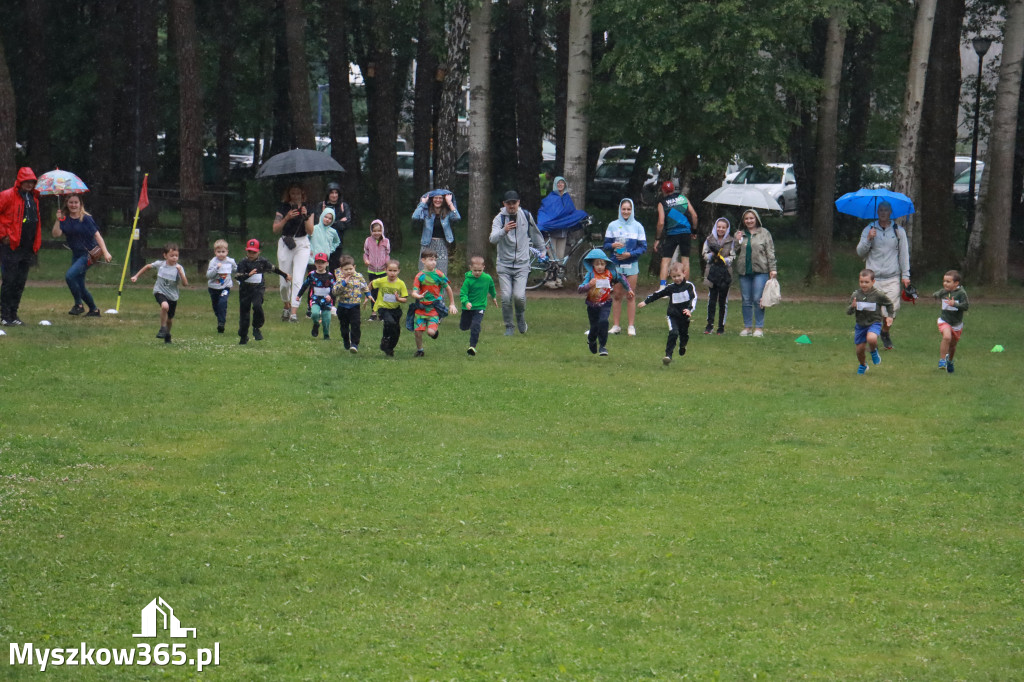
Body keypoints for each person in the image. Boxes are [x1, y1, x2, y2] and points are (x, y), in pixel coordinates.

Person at [855, 201, 910, 350]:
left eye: (886, 210)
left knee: (890, 311)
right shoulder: (869, 229)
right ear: (877, 212)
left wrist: (906, 275)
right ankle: (870, 336)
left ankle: (885, 332)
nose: (883, 213)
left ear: (890, 212)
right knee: (871, 311)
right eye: (881, 210)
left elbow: (904, 255)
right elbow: (860, 252)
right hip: (873, 279)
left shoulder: (898, 231)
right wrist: (868, 239)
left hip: (892, 277)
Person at [489, 190, 545, 335]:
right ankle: (509, 326)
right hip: (504, 264)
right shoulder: (499, 219)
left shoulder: (526, 215)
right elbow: (492, 239)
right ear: (504, 204)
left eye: (514, 203)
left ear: (518, 203)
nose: (511, 206)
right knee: (506, 297)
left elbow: (535, 234)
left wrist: (542, 250)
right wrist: (504, 230)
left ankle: (520, 317)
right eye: (509, 203)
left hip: (522, 264)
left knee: (519, 297)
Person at [51, 195, 112, 317]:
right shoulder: (65, 219)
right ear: (67, 204)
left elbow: (97, 235)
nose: (73, 205)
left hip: (88, 254)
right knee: (79, 284)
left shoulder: (86, 218)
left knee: (69, 276)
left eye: (76, 202)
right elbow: (56, 234)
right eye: (71, 202)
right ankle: (94, 310)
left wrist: (105, 252)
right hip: (76, 254)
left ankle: (78, 305)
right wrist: (58, 220)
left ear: (80, 204)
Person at [0, 167, 43, 326]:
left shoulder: (34, 198)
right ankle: (4, 316)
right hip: (11, 246)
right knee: (9, 280)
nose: (29, 184)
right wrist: (3, 234)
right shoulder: (7, 195)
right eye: (26, 181)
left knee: (20, 282)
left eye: (32, 182)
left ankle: (13, 314)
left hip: (27, 246)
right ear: (20, 181)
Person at [577, 247, 634, 356]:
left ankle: (603, 346)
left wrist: (629, 289)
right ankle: (592, 340)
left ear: (606, 264)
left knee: (604, 321)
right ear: (592, 264)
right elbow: (580, 289)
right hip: (592, 305)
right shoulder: (590, 275)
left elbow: (622, 278)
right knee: (594, 327)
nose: (599, 267)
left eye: (602, 264)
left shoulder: (611, 273)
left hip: (605, 303)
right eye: (597, 264)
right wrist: (589, 285)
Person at [638, 261, 697, 365]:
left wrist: (689, 309)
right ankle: (668, 355)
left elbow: (693, 298)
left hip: (685, 316)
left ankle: (683, 345)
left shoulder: (689, 286)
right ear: (670, 276)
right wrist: (646, 302)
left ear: (684, 273)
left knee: (684, 334)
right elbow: (658, 294)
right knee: (673, 333)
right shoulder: (670, 288)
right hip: (673, 315)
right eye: (674, 276)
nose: (677, 278)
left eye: (679, 275)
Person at [603, 198, 647, 336]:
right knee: (616, 295)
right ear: (620, 210)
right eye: (624, 209)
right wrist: (613, 246)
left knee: (630, 294)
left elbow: (643, 247)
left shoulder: (638, 226)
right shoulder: (612, 225)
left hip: (632, 264)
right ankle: (616, 326)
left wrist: (630, 254)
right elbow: (606, 245)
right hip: (616, 265)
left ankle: (631, 326)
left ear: (632, 210)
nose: (626, 212)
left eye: (628, 209)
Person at [131, 242, 189, 344]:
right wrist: (136, 276)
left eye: (176, 256)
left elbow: (185, 284)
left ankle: (167, 333)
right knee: (164, 306)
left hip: (173, 296)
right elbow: (147, 266)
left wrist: (180, 272)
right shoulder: (160, 265)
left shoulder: (179, 268)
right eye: (171, 256)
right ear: (165, 255)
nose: (174, 258)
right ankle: (162, 328)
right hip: (159, 291)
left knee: (170, 319)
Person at [537, 175, 589, 287]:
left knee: (560, 257)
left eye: (562, 183)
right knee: (552, 257)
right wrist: (552, 222)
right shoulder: (550, 198)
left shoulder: (567, 198)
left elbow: (570, 213)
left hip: (562, 232)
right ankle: (549, 280)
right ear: (555, 184)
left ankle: (558, 280)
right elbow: (549, 213)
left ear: (565, 184)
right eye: (558, 183)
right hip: (551, 232)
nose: (560, 185)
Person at [273, 183, 314, 322]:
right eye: (293, 193)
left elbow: (310, 231)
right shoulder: (283, 208)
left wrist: (305, 216)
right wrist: (287, 218)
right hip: (286, 242)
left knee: (298, 279)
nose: (295, 196)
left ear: (302, 194)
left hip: (302, 244)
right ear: (289, 194)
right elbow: (275, 229)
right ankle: (286, 305)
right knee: (285, 280)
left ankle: (294, 312)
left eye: (298, 193)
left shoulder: (307, 208)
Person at [236, 238, 290, 345]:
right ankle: (243, 336)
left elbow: (274, 268)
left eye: (254, 252)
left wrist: (285, 275)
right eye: (249, 252)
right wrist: (248, 275)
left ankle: (256, 327)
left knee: (257, 306)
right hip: (245, 290)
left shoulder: (262, 262)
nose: (251, 254)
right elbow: (238, 276)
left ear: (259, 252)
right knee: (244, 313)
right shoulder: (243, 262)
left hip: (258, 289)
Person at [733, 208, 777, 337]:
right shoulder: (740, 233)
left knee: (758, 299)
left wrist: (772, 268)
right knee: (746, 299)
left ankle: (759, 328)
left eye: (751, 218)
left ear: (756, 219)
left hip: (761, 271)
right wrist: (737, 240)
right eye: (746, 218)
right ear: (743, 220)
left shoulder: (764, 233)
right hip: (744, 271)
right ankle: (747, 327)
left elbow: (770, 251)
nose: (749, 221)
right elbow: (733, 252)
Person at [410, 249, 458, 357]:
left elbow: (448, 289)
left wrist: (452, 304)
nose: (434, 262)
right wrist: (418, 296)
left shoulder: (439, 275)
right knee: (418, 332)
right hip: (421, 308)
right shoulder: (419, 276)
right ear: (423, 260)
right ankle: (420, 350)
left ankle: (434, 329)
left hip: (433, 308)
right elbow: (414, 292)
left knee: (430, 333)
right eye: (431, 260)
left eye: (435, 260)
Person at [847, 268, 894, 375]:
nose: (863, 284)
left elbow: (889, 304)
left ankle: (873, 352)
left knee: (871, 339)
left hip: (874, 322)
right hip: (860, 325)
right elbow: (848, 312)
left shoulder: (878, 295)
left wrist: (890, 316)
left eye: (866, 282)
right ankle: (863, 365)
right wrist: (852, 306)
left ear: (873, 282)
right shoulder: (856, 295)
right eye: (861, 282)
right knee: (859, 350)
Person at [654, 180, 698, 286]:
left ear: (663, 190)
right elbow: (694, 215)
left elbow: (660, 222)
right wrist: (694, 231)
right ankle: (685, 285)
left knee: (665, 260)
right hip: (685, 232)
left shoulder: (662, 203)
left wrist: (658, 238)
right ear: (673, 189)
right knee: (685, 259)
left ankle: (662, 286)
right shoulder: (683, 198)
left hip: (672, 233)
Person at [413, 189, 460, 276]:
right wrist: (422, 203)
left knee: (441, 273)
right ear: (432, 199)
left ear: (444, 200)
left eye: (440, 198)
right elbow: (415, 217)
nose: (438, 200)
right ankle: (424, 289)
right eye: (435, 198)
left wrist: (450, 203)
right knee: (424, 271)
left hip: (442, 244)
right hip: (427, 244)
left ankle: (440, 290)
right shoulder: (426, 212)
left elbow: (457, 218)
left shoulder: (448, 212)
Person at [701, 217, 734, 335]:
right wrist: (711, 256)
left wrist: (725, 260)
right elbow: (704, 253)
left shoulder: (731, 240)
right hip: (712, 272)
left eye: (723, 227)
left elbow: (733, 255)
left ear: (727, 229)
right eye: (718, 227)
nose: (720, 229)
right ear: (715, 227)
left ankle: (721, 326)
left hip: (725, 273)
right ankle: (709, 325)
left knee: (723, 301)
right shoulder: (709, 239)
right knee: (712, 299)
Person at [459, 255, 498, 356]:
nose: (477, 273)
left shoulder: (487, 278)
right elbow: (463, 293)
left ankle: (472, 347)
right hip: (468, 307)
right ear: (470, 268)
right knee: (463, 327)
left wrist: (494, 297)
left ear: (483, 268)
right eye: (475, 270)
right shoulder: (468, 280)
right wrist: (466, 302)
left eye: (479, 270)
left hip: (480, 307)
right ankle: (470, 326)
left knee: (475, 325)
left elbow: (491, 287)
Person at [933, 269, 969, 373]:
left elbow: (966, 306)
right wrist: (936, 295)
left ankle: (950, 361)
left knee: (952, 346)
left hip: (956, 324)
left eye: (948, 282)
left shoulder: (961, 293)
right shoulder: (944, 291)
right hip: (944, 321)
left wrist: (955, 304)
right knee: (946, 337)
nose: (945, 283)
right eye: (944, 281)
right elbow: (936, 294)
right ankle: (942, 360)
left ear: (956, 283)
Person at [369, 259, 408, 357]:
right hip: (383, 307)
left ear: (399, 271)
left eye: (395, 271)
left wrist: (399, 298)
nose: (392, 273)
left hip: (395, 309)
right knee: (389, 322)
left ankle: (389, 348)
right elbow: (371, 284)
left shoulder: (401, 283)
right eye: (390, 270)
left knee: (396, 330)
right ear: (386, 270)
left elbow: (405, 299)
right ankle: (385, 338)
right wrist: (367, 295)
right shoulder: (382, 281)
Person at [332, 254, 371, 353]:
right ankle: (346, 339)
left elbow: (364, 286)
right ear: (341, 270)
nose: (349, 271)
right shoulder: (340, 279)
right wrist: (344, 282)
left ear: (354, 267)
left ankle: (354, 344)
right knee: (344, 327)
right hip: (342, 307)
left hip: (355, 306)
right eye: (346, 269)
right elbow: (335, 292)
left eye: (350, 269)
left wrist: (368, 294)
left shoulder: (359, 276)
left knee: (356, 324)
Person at [296, 253, 337, 340]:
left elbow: (335, 288)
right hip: (315, 299)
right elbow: (305, 285)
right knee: (314, 313)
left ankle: (326, 336)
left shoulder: (330, 276)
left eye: (322, 262)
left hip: (327, 300)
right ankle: (316, 323)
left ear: (327, 264)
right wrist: (299, 295)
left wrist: (330, 296)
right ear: (315, 263)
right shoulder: (312, 274)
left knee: (327, 319)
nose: (320, 264)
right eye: (318, 262)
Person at [205, 239, 238, 333]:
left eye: (223, 252)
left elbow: (236, 269)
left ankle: (221, 323)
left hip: (225, 287)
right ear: (215, 252)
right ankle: (219, 317)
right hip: (213, 287)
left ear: (227, 252)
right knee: (216, 306)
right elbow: (209, 275)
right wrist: (216, 268)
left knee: (222, 303)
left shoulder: (230, 261)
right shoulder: (213, 262)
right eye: (218, 252)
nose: (221, 254)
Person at [316, 182, 351, 270]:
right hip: (322, 241)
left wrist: (330, 223)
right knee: (320, 265)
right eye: (332, 192)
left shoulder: (343, 206)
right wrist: (338, 222)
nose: (334, 195)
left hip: (337, 242)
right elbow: (318, 222)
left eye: (336, 193)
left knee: (335, 267)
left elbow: (346, 224)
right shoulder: (321, 205)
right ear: (328, 194)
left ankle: (334, 283)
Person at [363, 219, 390, 321]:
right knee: (373, 291)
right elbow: (365, 253)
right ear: (371, 231)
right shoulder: (368, 240)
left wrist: (387, 263)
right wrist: (366, 260)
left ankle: (382, 313)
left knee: (382, 291)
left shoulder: (386, 241)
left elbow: (387, 254)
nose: (377, 233)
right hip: (372, 270)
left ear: (382, 230)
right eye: (374, 231)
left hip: (383, 270)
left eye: (379, 230)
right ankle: (374, 313)